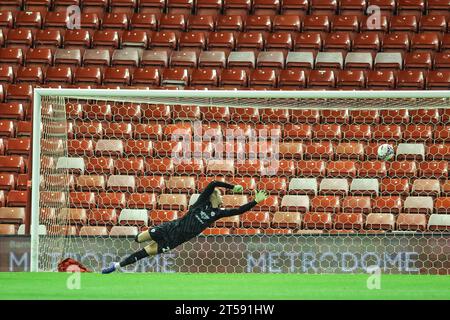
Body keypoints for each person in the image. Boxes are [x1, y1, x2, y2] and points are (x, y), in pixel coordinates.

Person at [102, 181, 268, 274]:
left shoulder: (218, 213)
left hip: (175, 240)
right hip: (168, 228)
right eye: (220, 194)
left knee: (144, 253)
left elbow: (239, 210)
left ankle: (116, 266)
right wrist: (232, 186)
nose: (223, 196)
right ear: (213, 196)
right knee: (138, 239)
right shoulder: (201, 202)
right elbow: (212, 183)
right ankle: (131, 239)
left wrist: (255, 201)